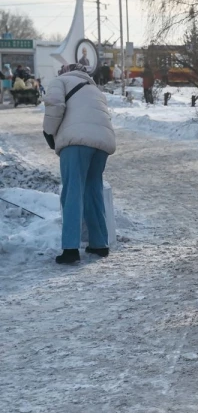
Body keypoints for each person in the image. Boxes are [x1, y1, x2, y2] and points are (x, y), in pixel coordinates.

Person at [42, 63, 117, 264]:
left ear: (65, 71)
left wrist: (48, 132)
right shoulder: (95, 89)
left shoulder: (60, 81)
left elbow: (55, 106)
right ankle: (100, 244)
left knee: (73, 191)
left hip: (76, 142)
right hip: (102, 143)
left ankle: (70, 248)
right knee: (93, 190)